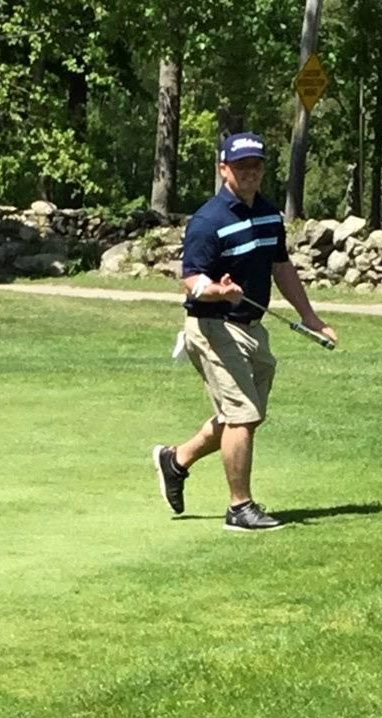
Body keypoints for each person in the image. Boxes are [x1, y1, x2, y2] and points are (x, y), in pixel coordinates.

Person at [152, 132, 337, 531]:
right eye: (240, 167)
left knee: (243, 415)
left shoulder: (270, 214)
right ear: (224, 170)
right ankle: (240, 508)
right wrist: (220, 291)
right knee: (242, 415)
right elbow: (191, 280)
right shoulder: (208, 220)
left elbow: (282, 267)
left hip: (253, 328)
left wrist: (310, 316)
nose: (249, 173)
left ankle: (176, 459)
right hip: (212, 325)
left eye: (255, 166)